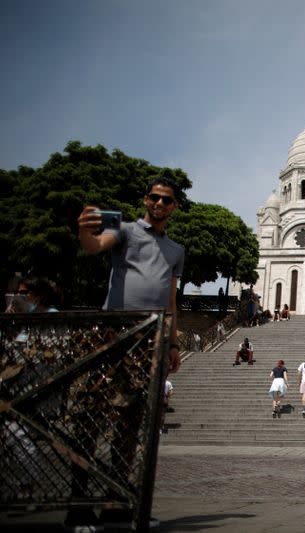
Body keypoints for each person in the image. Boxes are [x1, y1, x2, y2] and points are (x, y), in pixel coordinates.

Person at [76, 175, 184, 530]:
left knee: (130, 425)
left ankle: (117, 504)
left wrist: (174, 341)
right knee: (90, 422)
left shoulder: (175, 250)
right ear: (145, 200)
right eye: (154, 197)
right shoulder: (123, 231)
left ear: (174, 206)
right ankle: (78, 508)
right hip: (111, 337)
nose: (159, 204)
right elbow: (94, 246)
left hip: (148, 343)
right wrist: (84, 231)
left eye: (166, 200)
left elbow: (170, 300)